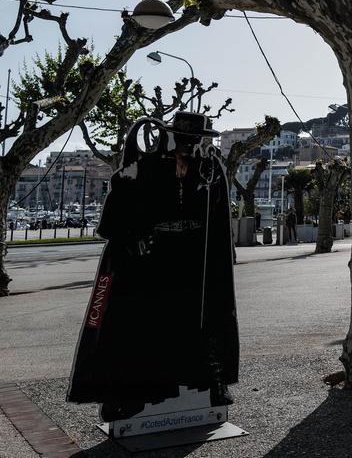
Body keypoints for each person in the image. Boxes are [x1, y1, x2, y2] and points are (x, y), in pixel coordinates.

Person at [68, 112, 238, 421]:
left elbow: (217, 215)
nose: (190, 145)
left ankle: (212, 381)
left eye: (196, 139)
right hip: (155, 258)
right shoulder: (148, 168)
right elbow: (117, 210)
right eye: (185, 139)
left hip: (194, 257)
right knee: (143, 324)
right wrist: (132, 236)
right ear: (172, 137)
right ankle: (132, 393)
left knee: (205, 316)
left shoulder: (209, 170)